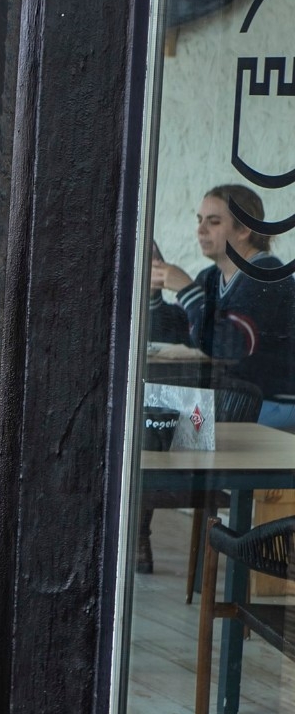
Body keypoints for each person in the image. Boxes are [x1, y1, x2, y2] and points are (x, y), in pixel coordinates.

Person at [139, 183, 295, 572]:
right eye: (199, 221)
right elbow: (180, 329)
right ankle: (140, 536)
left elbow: (228, 345)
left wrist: (186, 288)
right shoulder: (214, 277)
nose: (201, 230)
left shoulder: (267, 276)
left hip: (271, 411)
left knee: (158, 429)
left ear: (244, 230)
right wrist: (157, 292)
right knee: (147, 421)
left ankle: (145, 533)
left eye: (214, 221)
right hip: (233, 403)